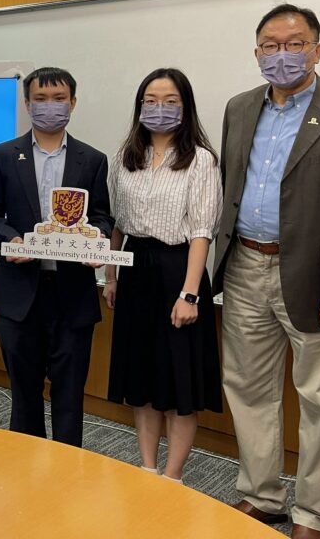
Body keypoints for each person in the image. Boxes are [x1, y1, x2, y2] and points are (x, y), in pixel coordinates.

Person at [214, 5, 320, 538]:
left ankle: (314, 515)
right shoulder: (239, 108)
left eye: (295, 43)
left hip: (317, 281)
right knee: (247, 387)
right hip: (245, 264)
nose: (282, 55)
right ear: (256, 52)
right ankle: (262, 496)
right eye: (270, 45)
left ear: (318, 48)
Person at [0, 67, 113, 446]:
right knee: (24, 395)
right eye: (40, 99)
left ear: (73, 102)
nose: (50, 107)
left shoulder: (93, 159)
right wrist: (12, 240)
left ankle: (66, 475)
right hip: (19, 297)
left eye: (58, 99)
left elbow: (101, 216)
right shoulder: (3, 155)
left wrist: (96, 240)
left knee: (70, 397)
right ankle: (26, 473)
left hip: (72, 296)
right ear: (27, 103)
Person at [102, 68, 223, 483]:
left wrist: (190, 295)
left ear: (185, 107)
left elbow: (203, 232)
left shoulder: (200, 159)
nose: (160, 109)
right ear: (139, 106)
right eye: (151, 100)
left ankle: (172, 477)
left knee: (178, 386)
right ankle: (148, 469)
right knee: (142, 379)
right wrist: (111, 276)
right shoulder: (124, 157)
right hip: (134, 270)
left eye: (170, 101)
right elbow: (117, 223)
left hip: (179, 272)